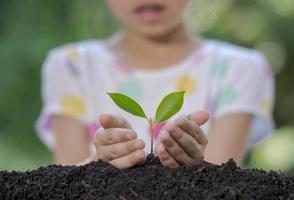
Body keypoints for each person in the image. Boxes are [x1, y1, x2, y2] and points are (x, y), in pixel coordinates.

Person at [36, 0, 274, 169]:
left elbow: (223, 181)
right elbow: (65, 179)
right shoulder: (72, 65)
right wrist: (97, 166)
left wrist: (194, 166)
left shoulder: (240, 67)